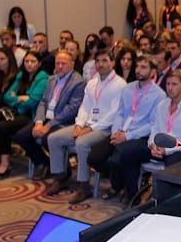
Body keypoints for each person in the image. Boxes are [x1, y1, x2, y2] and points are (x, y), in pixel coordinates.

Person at [107, 69, 181, 201]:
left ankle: (165, 204)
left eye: (174, 84)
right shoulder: (162, 105)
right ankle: (134, 198)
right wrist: (152, 144)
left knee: (173, 166)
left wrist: (167, 150)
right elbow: (155, 129)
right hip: (160, 147)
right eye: (168, 84)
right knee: (127, 153)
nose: (170, 88)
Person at [44, 51, 125, 203]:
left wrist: (90, 128)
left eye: (105, 60)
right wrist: (79, 124)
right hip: (86, 124)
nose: (100, 64)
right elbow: (84, 107)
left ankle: (84, 186)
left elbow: (114, 114)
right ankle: (60, 177)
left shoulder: (120, 84)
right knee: (54, 138)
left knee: (81, 143)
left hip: (105, 128)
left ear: (113, 63)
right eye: (98, 61)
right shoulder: (93, 82)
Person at [99, 55, 165, 199]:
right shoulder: (128, 88)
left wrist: (127, 136)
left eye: (143, 67)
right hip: (121, 131)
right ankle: (120, 184)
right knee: (95, 156)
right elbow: (120, 112)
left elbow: (153, 124)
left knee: (120, 157)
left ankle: (120, 188)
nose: (138, 70)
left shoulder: (159, 95)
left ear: (153, 71)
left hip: (141, 135)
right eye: (137, 66)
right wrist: (116, 131)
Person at [12, 50, 84, 181]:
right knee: (21, 136)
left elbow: (72, 110)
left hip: (63, 121)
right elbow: (43, 102)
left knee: (47, 138)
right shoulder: (51, 79)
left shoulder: (78, 82)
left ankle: (63, 171)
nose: (60, 66)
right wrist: (39, 122)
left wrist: (49, 125)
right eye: (58, 63)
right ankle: (45, 163)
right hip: (45, 118)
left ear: (72, 64)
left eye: (64, 63)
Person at [0, 51, 50, 177]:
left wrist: (17, 99)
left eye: (33, 61)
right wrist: (22, 98)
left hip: (31, 115)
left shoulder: (43, 78)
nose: (29, 64)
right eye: (26, 61)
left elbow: (34, 102)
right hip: (16, 112)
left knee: (1, 127)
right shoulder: (20, 75)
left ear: (39, 63)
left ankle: (5, 163)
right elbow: (6, 96)